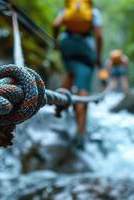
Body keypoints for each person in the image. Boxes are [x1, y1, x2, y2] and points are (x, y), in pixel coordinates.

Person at [52, 0, 103, 149]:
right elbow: (99, 36)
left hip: (66, 44)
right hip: (85, 49)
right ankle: (80, 134)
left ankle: (58, 109)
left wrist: (56, 42)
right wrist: (98, 57)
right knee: (83, 87)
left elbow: (56, 25)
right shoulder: (93, 13)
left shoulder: (67, 10)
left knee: (71, 73)